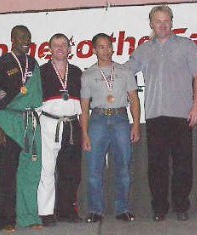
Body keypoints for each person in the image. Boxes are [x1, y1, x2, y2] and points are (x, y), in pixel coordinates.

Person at [126, 5, 197, 222]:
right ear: (151, 24)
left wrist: (196, 106)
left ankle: (182, 206)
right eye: (158, 21)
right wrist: (100, 71)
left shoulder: (187, 45)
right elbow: (124, 72)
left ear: (171, 22)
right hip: (155, 116)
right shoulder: (143, 50)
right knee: (157, 165)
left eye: (166, 21)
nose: (162, 25)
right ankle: (159, 208)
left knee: (183, 164)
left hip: (182, 114)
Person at [0, 25, 43, 231]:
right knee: (8, 174)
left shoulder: (33, 63)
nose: (25, 39)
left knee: (30, 172)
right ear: (12, 38)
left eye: (28, 36)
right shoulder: (0, 64)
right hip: (7, 123)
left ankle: (29, 216)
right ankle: (6, 220)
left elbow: (37, 95)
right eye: (21, 37)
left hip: (29, 122)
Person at [81, 33, 140, 223]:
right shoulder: (88, 74)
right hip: (97, 120)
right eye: (101, 47)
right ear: (94, 50)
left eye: (108, 46)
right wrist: (84, 133)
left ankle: (122, 209)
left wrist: (136, 125)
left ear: (113, 48)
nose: (106, 50)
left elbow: (134, 100)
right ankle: (95, 210)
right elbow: (83, 106)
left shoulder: (124, 71)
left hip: (121, 119)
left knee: (123, 167)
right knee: (94, 169)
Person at [37, 33, 82, 226]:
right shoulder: (41, 72)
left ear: (69, 49)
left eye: (64, 45)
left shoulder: (77, 72)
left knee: (70, 170)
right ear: (50, 49)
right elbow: (33, 99)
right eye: (56, 45)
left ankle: (66, 210)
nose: (60, 48)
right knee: (47, 169)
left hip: (72, 124)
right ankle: (46, 212)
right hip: (49, 124)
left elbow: (85, 101)